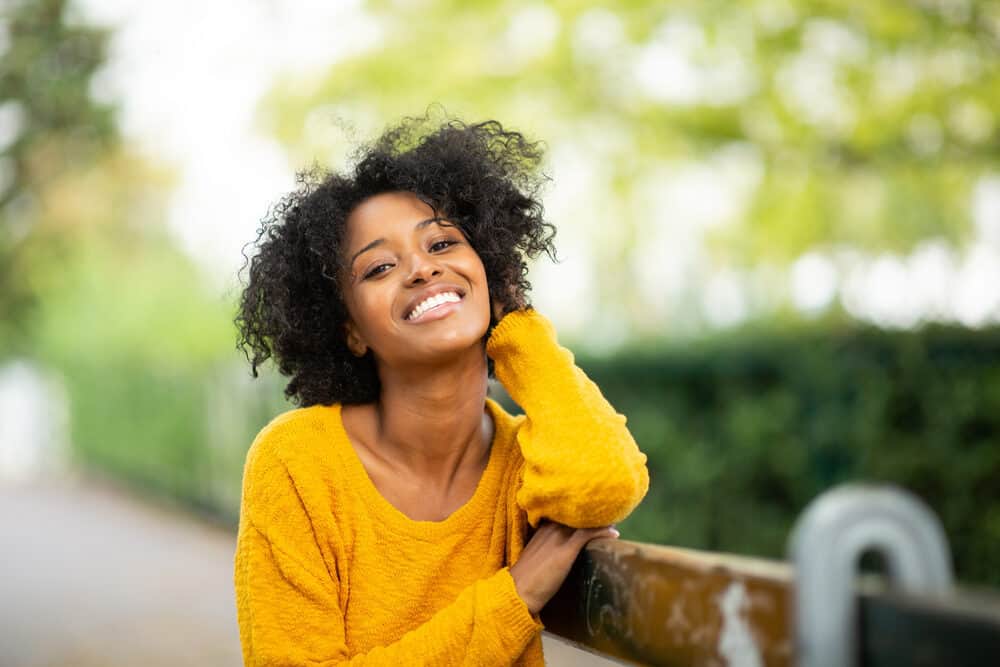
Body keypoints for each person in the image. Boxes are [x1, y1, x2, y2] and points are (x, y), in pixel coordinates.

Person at [233, 116, 649, 666]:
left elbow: (604, 483)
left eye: (444, 243)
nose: (422, 269)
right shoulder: (296, 462)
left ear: (489, 268)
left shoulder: (530, 465)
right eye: (380, 267)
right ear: (349, 330)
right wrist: (516, 594)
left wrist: (517, 328)